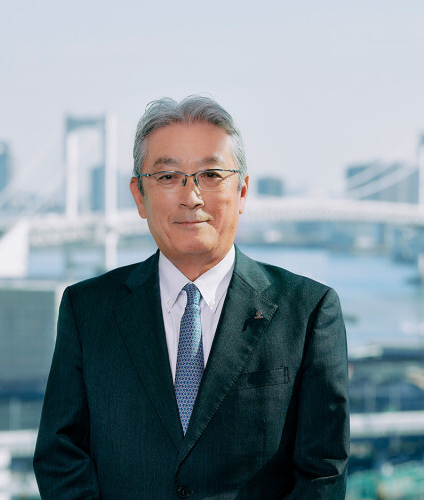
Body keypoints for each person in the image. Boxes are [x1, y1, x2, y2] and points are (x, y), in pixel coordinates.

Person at [34, 95, 349, 499]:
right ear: (138, 196)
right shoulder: (87, 310)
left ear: (242, 191)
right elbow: (60, 457)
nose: (192, 196)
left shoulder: (308, 312)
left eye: (211, 174)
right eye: (168, 177)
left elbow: (322, 474)